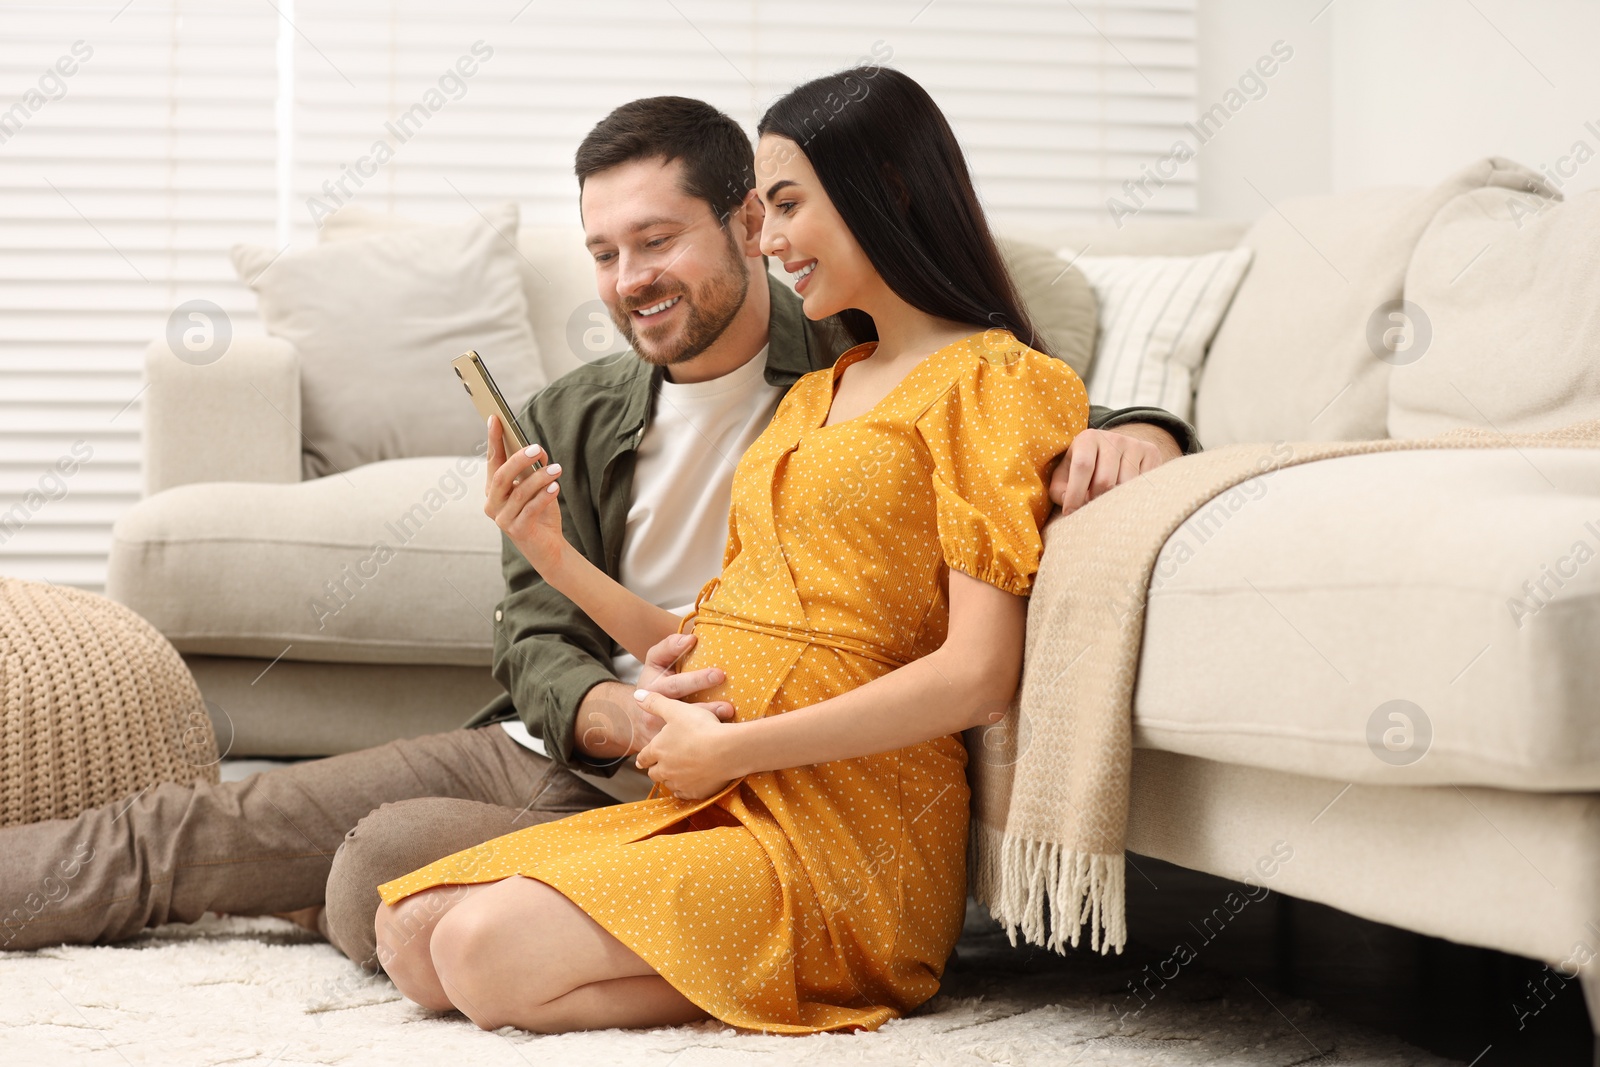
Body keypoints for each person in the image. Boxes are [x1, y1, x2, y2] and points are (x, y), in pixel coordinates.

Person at [0, 92, 1198, 975]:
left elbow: (1009, 401)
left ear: (744, 225)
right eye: (606, 252)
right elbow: (531, 634)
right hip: (568, 743)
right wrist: (607, 705)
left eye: (658, 240)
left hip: (751, 763)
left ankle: (407, 891)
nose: (631, 278)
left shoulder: (849, 356)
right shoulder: (572, 413)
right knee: (220, 821)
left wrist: (1146, 428)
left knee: (380, 864)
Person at [367, 67, 1176, 1036]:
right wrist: (551, 552)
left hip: (853, 825)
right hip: (736, 786)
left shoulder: (996, 383)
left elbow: (977, 674)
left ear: (888, 188)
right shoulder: (815, 394)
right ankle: (706, 958)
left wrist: (732, 748)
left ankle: (856, 965)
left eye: (787, 203)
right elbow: (710, 635)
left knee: (476, 951)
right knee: (410, 931)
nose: (771, 236)